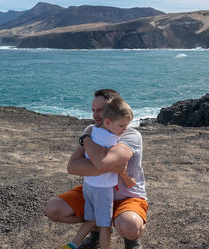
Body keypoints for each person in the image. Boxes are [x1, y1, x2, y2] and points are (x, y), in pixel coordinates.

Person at [46, 89, 147, 249]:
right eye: (93, 110)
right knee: (54, 209)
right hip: (97, 189)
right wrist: (109, 166)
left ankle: (131, 240)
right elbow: (72, 167)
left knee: (130, 225)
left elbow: (103, 163)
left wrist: (85, 140)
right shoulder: (91, 131)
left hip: (127, 196)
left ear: (114, 108)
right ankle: (96, 234)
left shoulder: (129, 134)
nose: (95, 115)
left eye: (99, 110)